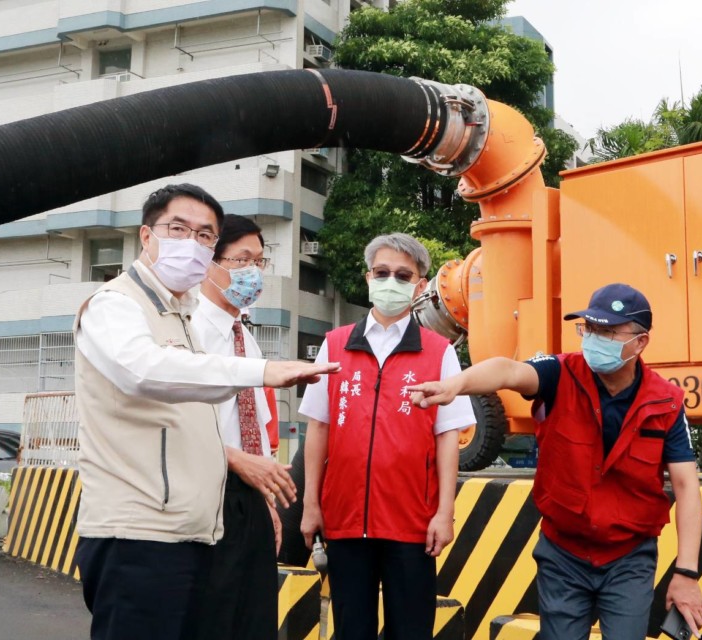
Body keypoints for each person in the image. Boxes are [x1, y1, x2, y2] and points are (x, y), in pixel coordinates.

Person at [73, 184, 338, 640]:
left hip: (193, 527)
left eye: (204, 235)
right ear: (146, 235)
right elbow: (143, 371)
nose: (191, 243)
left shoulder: (183, 316)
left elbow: (205, 420)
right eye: (178, 229)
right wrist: (263, 371)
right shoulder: (115, 304)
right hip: (138, 530)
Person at [408, 283, 702, 640]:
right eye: (590, 328)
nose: (595, 338)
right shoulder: (559, 373)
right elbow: (509, 371)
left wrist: (686, 574)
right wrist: (458, 384)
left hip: (629, 556)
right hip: (563, 553)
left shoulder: (666, 403)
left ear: (640, 342)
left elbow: (687, 487)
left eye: (608, 331)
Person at [298, 232, 476, 640]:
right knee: (351, 629)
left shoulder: (438, 351)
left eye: (402, 275)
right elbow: (318, 428)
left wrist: (443, 513)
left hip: (412, 523)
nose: (390, 281)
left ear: (418, 286)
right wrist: (311, 505)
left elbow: (449, 435)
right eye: (382, 272)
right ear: (368, 278)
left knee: (410, 631)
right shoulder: (335, 345)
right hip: (344, 521)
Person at [190, 214, 288, 640]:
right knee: (212, 618)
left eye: (260, 262)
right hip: (207, 493)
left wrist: (266, 502)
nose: (252, 273)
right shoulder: (188, 332)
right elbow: (177, 424)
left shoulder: (244, 336)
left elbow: (259, 424)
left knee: (255, 619)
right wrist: (235, 460)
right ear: (211, 264)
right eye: (242, 260)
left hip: (250, 499)